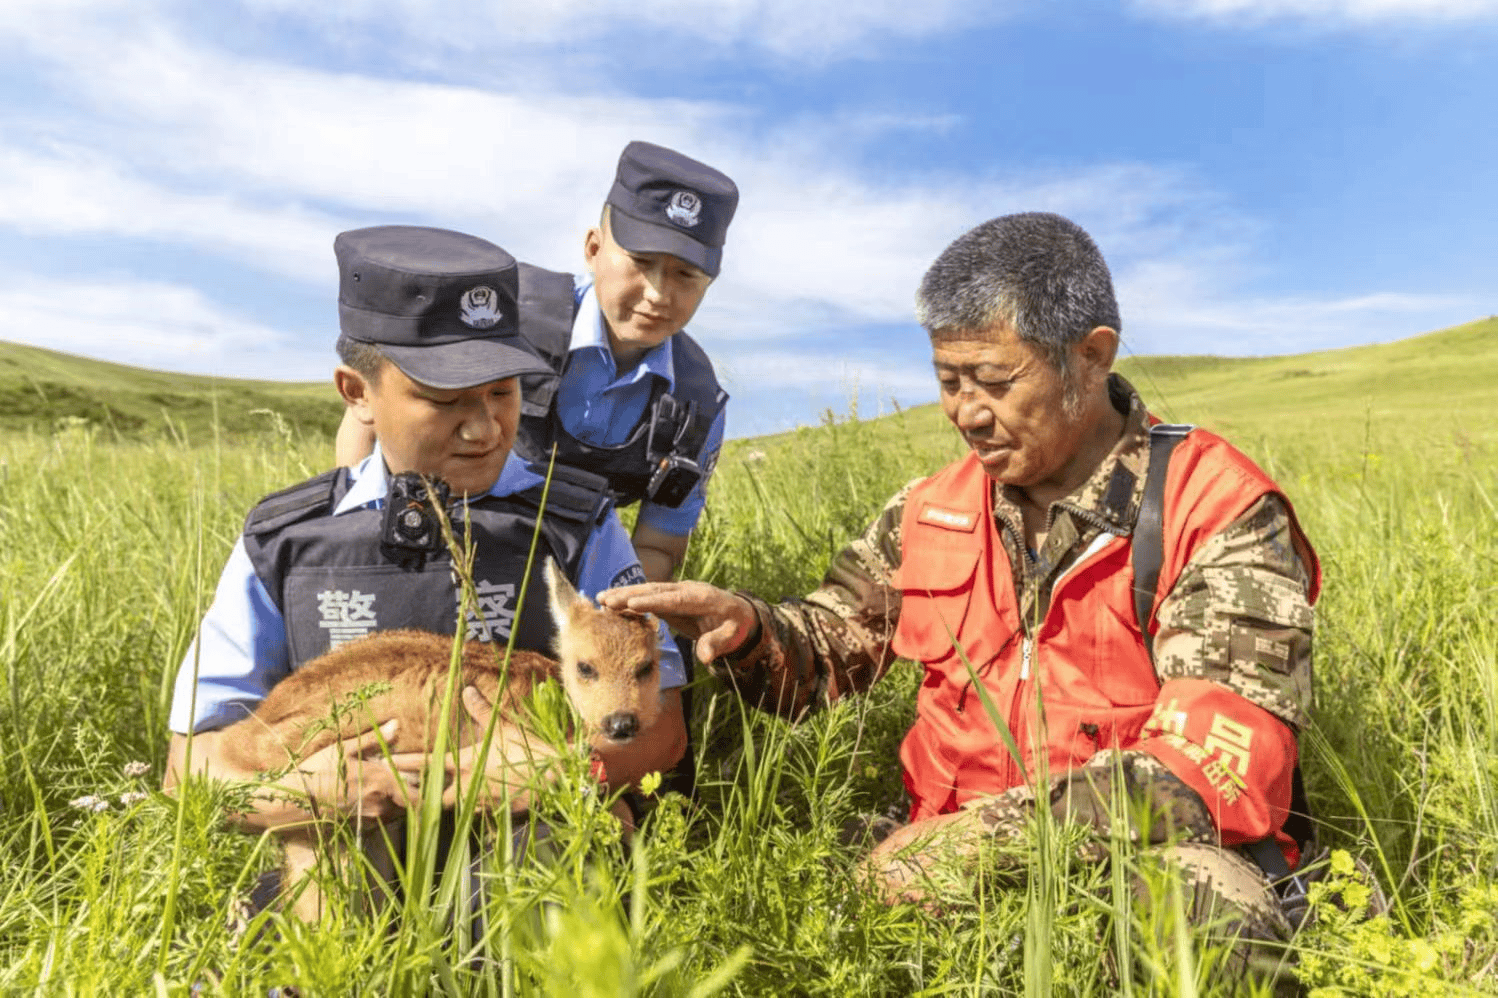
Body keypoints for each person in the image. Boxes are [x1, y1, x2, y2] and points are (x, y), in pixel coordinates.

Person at [600, 212, 1319, 975]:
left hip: (1121, 865)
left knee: (1206, 910)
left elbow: (1208, 767)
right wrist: (746, 628)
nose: (966, 413)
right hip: (932, 859)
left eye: (996, 382)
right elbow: (828, 647)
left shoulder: (1216, 506)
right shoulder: (931, 508)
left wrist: (975, 844)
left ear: (1092, 356)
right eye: (948, 381)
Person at [164, 225, 688, 835]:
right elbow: (188, 772)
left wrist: (567, 770)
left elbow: (662, 728)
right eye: (444, 400)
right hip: (341, 850)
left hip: (520, 845)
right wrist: (317, 793)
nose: (485, 428)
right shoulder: (284, 541)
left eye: (502, 391)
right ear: (357, 392)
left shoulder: (578, 525)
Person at [335, 140, 738, 585]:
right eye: (641, 262)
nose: (660, 294)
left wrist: (607, 620)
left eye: (687, 276)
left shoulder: (698, 404)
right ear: (593, 248)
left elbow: (657, 547)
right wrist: (355, 547)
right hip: (425, 547)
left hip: (577, 582)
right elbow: (371, 414)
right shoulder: (502, 313)